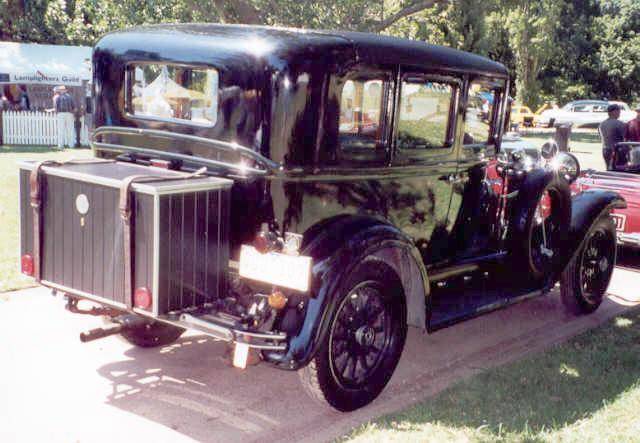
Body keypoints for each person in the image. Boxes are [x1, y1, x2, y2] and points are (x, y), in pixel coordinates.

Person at [599, 103, 625, 170]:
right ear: (614, 111)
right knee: (618, 170)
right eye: (619, 111)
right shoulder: (619, 124)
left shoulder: (601, 124)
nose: (619, 113)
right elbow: (625, 138)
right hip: (616, 151)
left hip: (605, 150)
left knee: (608, 169)